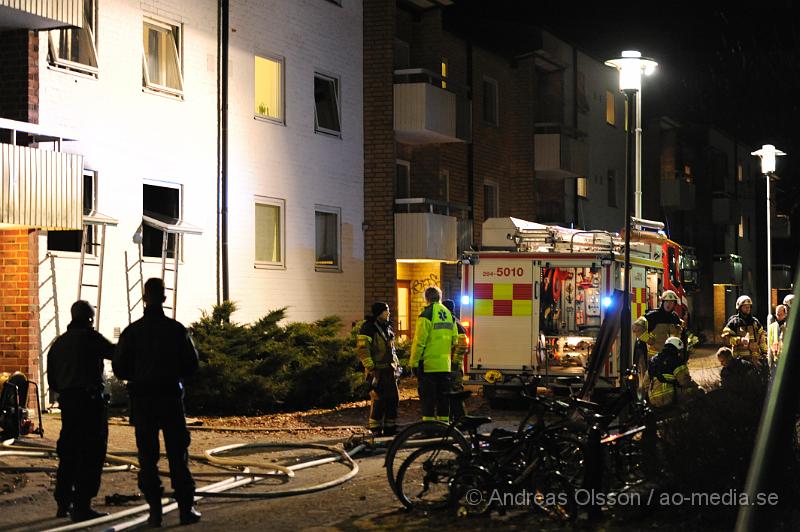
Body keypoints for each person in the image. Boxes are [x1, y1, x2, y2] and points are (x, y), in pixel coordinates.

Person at [113, 278, 201, 527]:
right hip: (170, 398)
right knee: (177, 454)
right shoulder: (176, 330)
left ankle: (155, 512)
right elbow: (192, 364)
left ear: (144, 298)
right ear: (163, 298)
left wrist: (139, 375)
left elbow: (119, 367)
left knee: (147, 457)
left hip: (143, 401)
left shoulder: (132, 332)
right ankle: (185, 510)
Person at [47, 301, 114, 522]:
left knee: (69, 453)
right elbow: (116, 354)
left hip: (69, 404)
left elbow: (53, 381)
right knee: (91, 453)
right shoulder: (91, 338)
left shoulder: (58, 344)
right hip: (90, 403)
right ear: (88, 319)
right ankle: (82, 504)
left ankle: (63, 502)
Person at [409, 286, 457, 422]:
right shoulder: (449, 314)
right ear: (440, 297)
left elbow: (419, 342)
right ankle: (443, 426)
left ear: (427, 298)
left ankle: (429, 428)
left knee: (428, 398)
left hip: (429, 365)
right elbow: (455, 339)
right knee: (444, 397)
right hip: (444, 366)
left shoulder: (426, 315)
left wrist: (413, 363)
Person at [356, 302, 400, 436]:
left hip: (390, 370)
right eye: (386, 311)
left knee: (393, 398)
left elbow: (392, 350)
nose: (389, 313)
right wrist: (371, 368)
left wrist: (398, 366)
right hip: (377, 371)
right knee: (379, 399)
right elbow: (363, 350)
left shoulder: (387, 327)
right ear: (379, 313)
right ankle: (375, 429)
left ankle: (390, 428)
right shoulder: (368, 328)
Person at [646, 337, 701, 410]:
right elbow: (684, 381)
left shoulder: (654, 360)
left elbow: (645, 382)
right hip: (668, 397)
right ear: (677, 349)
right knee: (693, 390)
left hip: (653, 399)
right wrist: (696, 386)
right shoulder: (676, 360)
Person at [721, 295, 767, 378]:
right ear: (739, 308)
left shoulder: (755, 322)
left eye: (749, 307)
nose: (748, 309)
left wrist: (765, 353)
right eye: (745, 307)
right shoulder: (733, 322)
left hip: (755, 359)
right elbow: (725, 339)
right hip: (739, 361)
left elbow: (762, 337)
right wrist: (739, 340)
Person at [442, 299, 469, 422]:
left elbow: (463, 345)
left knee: (456, 394)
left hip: (454, 368)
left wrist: (454, 363)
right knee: (453, 394)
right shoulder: (455, 322)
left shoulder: (455, 324)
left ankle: (461, 420)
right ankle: (456, 419)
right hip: (453, 366)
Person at [643, 290, 685, 358]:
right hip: (655, 357)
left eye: (672, 302)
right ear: (662, 302)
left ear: (674, 304)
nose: (669, 304)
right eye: (667, 301)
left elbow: (679, 336)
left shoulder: (675, 317)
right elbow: (637, 327)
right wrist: (648, 339)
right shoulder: (653, 315)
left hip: (671, 356)